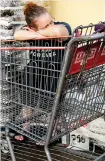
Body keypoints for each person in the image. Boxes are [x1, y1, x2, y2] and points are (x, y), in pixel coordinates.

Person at [14, 2, 72, 143]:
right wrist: (41, 33)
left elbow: (59, 32)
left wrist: (36, 33)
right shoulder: (26, 30)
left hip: (55, 71)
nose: (51, 25)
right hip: (36, 71)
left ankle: (53, 130)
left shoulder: (62, 25)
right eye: (46, 25)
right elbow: (17, 35)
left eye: (51, 21)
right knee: (28, 93)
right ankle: (25, 126)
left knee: (53, 101)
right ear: (31, 27)